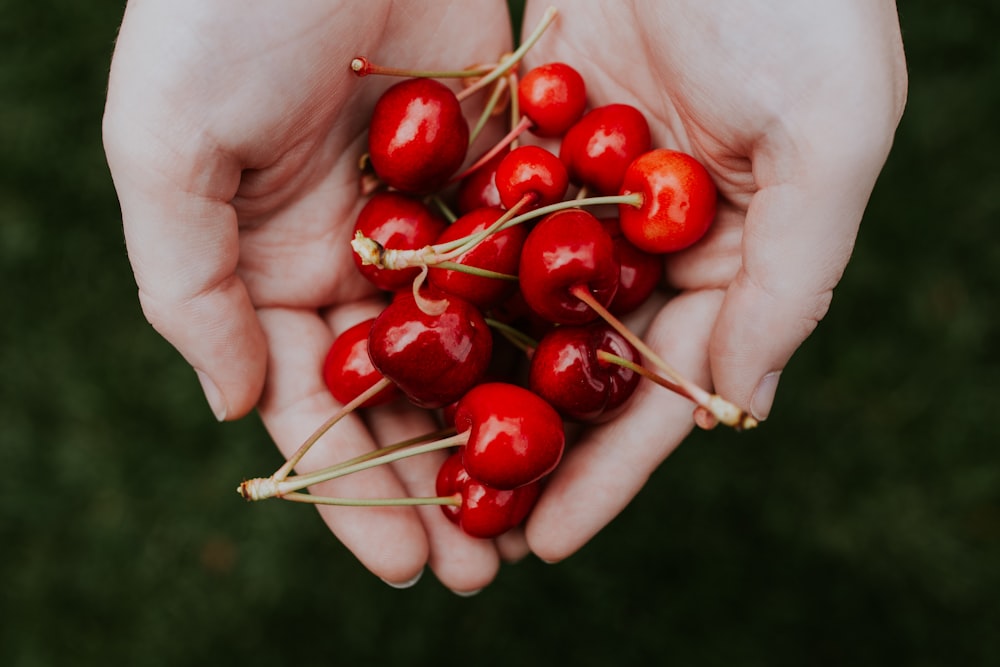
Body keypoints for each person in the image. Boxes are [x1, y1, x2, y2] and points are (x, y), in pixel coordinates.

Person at [102, 0, 907, 595]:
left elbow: (531, 284)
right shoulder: (484, 276)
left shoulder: (547, 256)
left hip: (532, 280)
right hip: (503, 288)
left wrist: (436, 264)